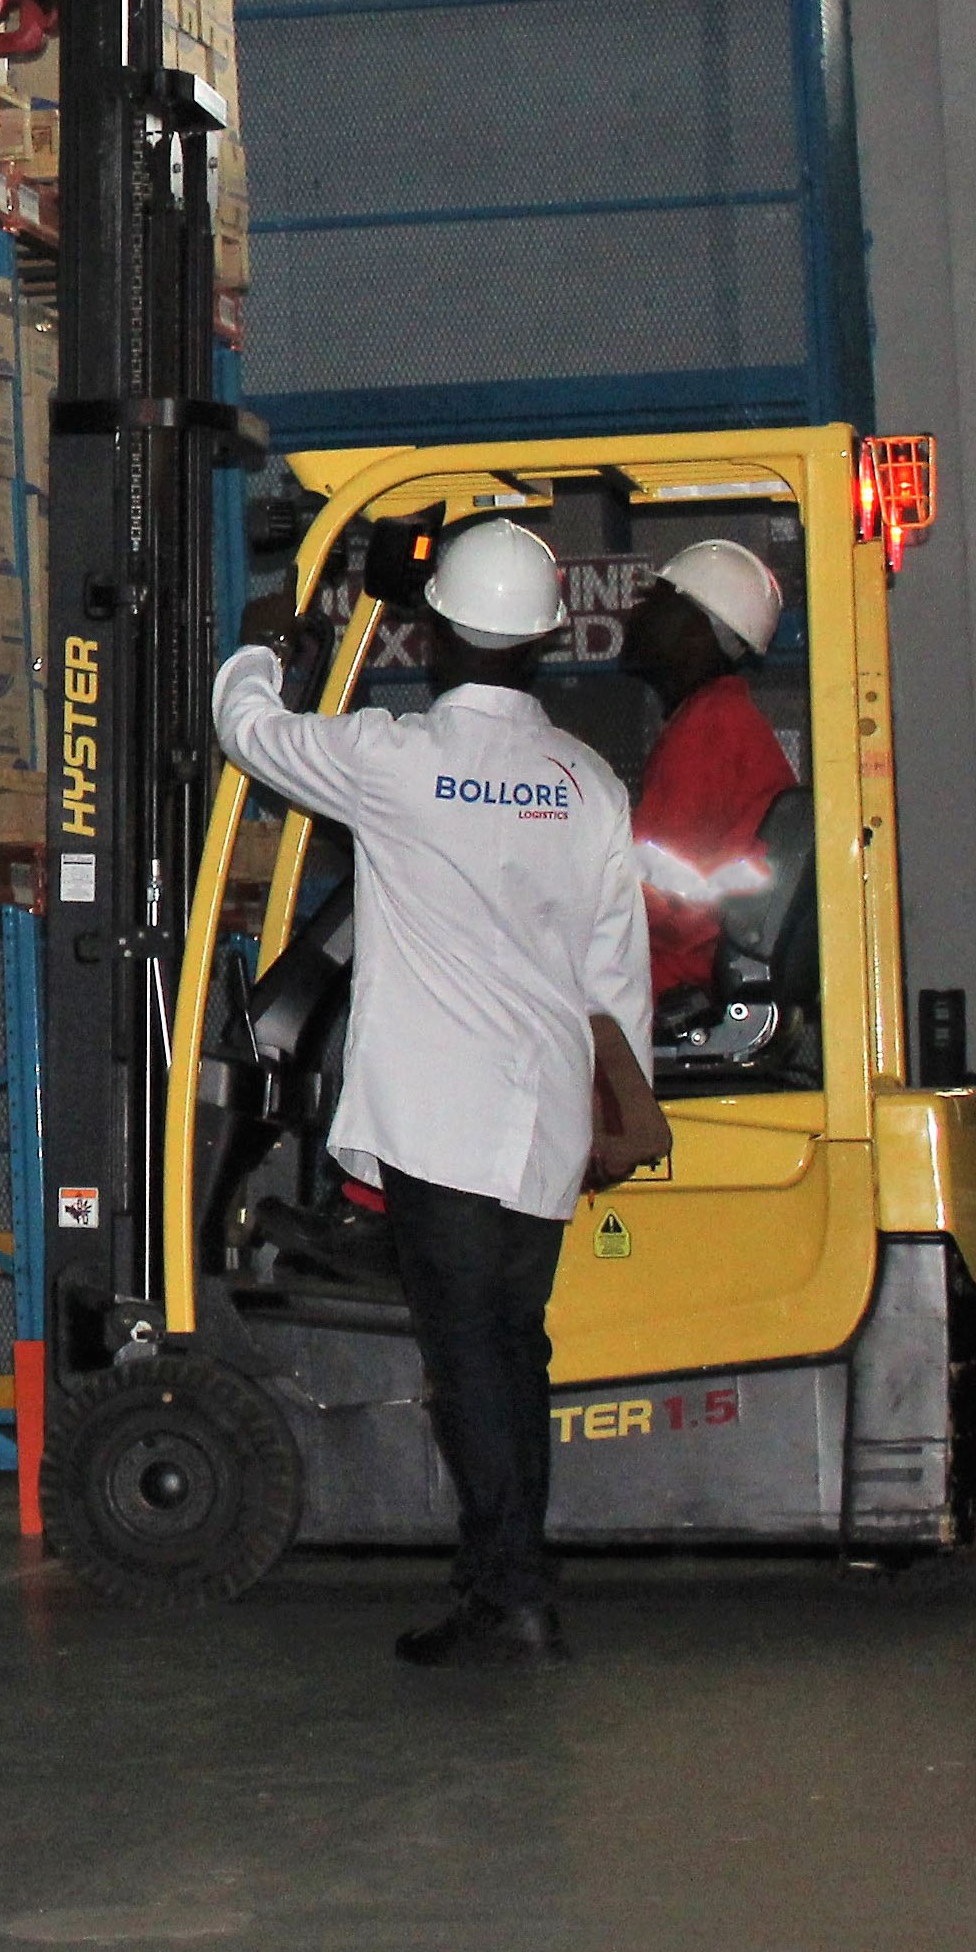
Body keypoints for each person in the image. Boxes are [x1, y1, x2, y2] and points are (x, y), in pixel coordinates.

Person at [214, 519, 647, 1668]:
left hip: (441, 1121)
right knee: (513, 1347)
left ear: (437, 631)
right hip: (544, 1115)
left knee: (466, 1358)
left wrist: (264, 646)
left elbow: (245, 731)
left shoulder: (394, 761)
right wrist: (621, 1109)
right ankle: (504, 1581)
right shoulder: (585, 782)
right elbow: (615, 975)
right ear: (543, 642)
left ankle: (509, 1595)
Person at [624, 538, 797, 1005]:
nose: (635, 613)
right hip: (688, 964)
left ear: (697, 631)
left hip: (674, 976)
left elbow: (663, 904)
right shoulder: (717, 720)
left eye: (657, 602)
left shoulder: (711, 729)